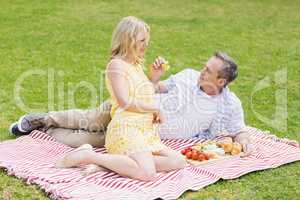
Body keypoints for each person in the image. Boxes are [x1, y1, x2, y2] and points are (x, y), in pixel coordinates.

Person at [54, 16, 187, 181]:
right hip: (127, 129)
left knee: (179, 161)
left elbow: (142, 95)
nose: (146, 44)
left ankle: (111, 165)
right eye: (141, 40)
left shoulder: (136, 65)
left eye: (147, 40)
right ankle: (89, 156)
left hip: (145, 132)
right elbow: (125, 101)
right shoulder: (116, 65)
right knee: (147, 173)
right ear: (127, 40)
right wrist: (155, 109)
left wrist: (153, 78)